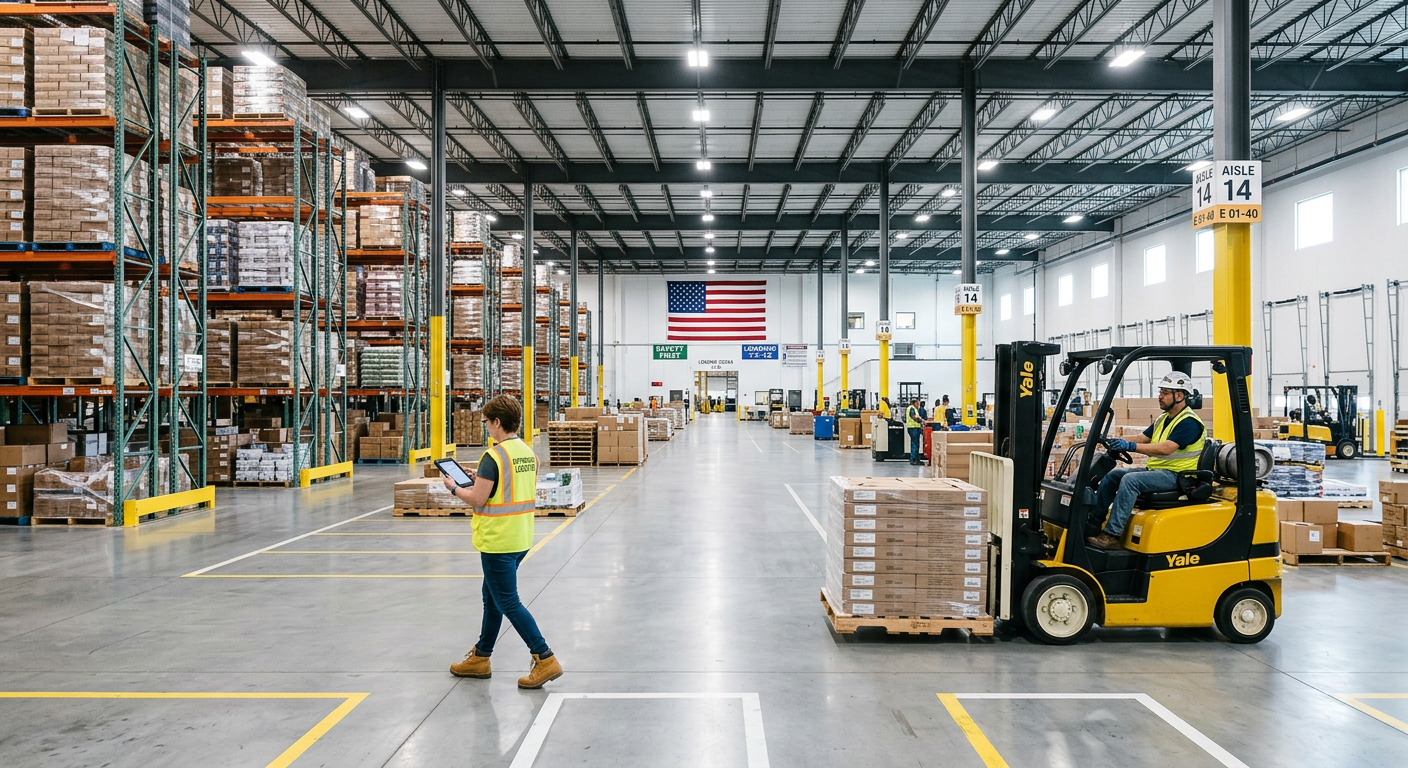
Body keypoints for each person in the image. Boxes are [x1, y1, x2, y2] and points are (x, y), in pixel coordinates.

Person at [445, 394, 563, 689]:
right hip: (521, 536)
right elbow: (510, 486)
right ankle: (481, 656)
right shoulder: (527, 453)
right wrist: (480, 477)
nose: (485, 427)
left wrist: (454, 488)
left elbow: (478, 498)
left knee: (507, 600)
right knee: (492, 596)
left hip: (498, 539)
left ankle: (545, 657)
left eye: (486, 422)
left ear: (497, 422)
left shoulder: (493, 456)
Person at [1087, 372, 1206, 550]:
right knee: (1114, 476)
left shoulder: (1189, 422)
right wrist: (1111, 440)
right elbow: (1143, 437)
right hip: (1159, 472)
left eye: (1165, 393)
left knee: (1130, 480)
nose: (1160, 396)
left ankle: (1112, 536)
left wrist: (1129, 446)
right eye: (1161, 392)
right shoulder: (1164, 418)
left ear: (1179, 396)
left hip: (1179, 476)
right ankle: (1092, 525)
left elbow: (1166, 448)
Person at [905, 398, 925, 465]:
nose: (918, 405)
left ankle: (916, 458)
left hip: (915, 428)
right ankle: (914, 459)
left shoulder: (914, 409)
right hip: (913, 428)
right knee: (915, 444)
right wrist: (921, 421)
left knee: (916, 443)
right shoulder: (911, 408)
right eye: (917, 403)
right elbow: (914, 417)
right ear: (914, 403)